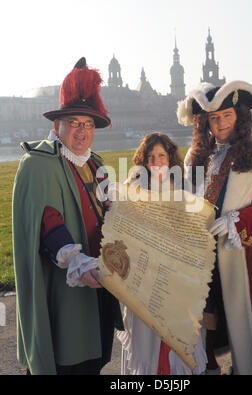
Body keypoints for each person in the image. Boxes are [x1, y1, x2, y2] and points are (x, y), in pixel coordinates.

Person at [177, 80, 252, 375]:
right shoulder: (197, 156)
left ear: (239, 116)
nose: (219, 125)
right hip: (205, 258)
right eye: (213, 118)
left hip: (244, 258)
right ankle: (208, 367)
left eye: (226, 116)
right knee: (206, 318)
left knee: (246, 328)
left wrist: (238, 221)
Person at [12, 58, 123, 375]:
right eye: (74, 122)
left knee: (96, 361)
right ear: (57, 125)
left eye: (88, 124)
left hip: (100, 287)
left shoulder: (95, 163)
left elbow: (109, 213)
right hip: (66, 294)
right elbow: (48, 221)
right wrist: (76, 261)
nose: (82, 131)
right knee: (70, 362)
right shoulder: (39, 163)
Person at [117, 132, 208, 375]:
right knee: (149, 346)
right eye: (151, 157)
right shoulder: (132, 189)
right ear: (144, 161)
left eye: (161, 156)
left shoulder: (184, 187)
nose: (157, 162)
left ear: (170, 158)